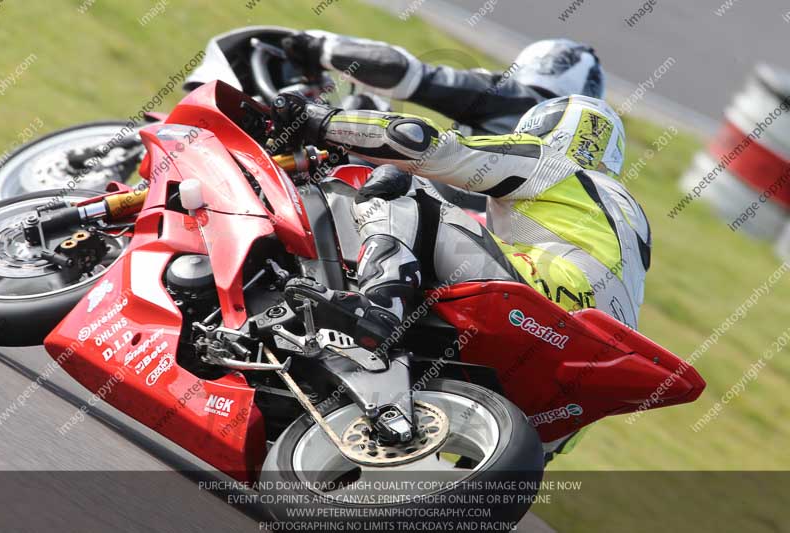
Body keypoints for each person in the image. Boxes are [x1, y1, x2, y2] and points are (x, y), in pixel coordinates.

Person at [276, 93, 652, 354]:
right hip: (592, 346)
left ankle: (379, 307)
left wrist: (319, 119)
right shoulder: (627, 220)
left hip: (541, 295)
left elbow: (423, 145)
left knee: (402, 185)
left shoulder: (550, 163)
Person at [281, 32, 606, 135]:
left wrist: (320, 49)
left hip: (445, 218)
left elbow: (402, 74)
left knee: (366, 110)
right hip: (514, 263)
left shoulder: (515, 99)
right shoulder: (596, 151)